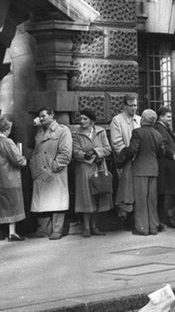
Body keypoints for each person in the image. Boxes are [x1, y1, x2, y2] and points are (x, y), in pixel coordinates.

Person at [119, 109, 175, 235]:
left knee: (141, 200)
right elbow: (161, 153)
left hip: (139, 169)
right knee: (151, 200)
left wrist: (123, 157)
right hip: (153, 169)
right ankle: (153, 227)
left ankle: (142, 228)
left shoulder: (137, 132)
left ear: (143, 119)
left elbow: (133, 149)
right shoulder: (158, 134)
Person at [30, 107, 72, 240]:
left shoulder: (62, 131)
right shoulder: (39, 132)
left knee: (57, 201)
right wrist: (33, 167)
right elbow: (35, 151)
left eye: (43, 116)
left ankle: (57, 230)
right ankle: (44, 229)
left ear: (52, 116)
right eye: (39, 117)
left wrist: (54, 166)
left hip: (55, 173)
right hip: (40, 172)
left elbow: (65, 153)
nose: (41, 119)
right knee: (43, 200)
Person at [0, 115, 27, 242]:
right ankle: (12, 233)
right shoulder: (7, 142)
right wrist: (24, 160)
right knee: (12, 205)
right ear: (6, 129)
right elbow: (18, 160)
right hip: (9, 180)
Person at [71, 109, 112, 238]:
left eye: (85, 119)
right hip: (84, 168)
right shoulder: (76, 134)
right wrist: (84, 154)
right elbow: (74, 151)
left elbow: (108, 148)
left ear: (92, 120)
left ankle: (95, 225)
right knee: (86, 198)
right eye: (81, 119)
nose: (82, 121)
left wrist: (96, 152)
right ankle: (86, 227)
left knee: (98, 196)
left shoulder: (100, 131)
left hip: (98, 166)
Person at [153, 106, 175, 229]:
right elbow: (163, 144)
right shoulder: (159, 128)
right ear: (161, 117)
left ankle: (170, 218)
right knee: (169, 193)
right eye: (168, 116)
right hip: (169, 166)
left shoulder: (163, 127)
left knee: (170, 193)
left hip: (170, 165)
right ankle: (169, 218)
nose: (170, 119)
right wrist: (172, 155)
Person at [110, 94, 140, 224]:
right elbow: (117, 143)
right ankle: (124, 217)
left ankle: (136, 217)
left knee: (137, 189)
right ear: (124, 106)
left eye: (135, 105)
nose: (134, 108)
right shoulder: (117, 120)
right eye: (131, 105)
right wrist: (128, 154)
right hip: (125, 161)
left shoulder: (139, 119)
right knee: (125, 189)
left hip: (139, 161)